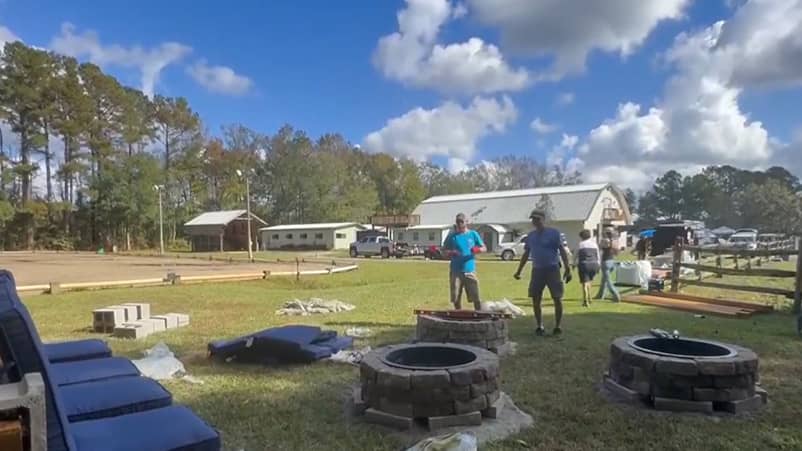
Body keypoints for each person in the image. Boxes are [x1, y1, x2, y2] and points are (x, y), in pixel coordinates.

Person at [513, 209, 572, 336]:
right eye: (533, 219)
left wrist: (567, 267)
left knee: (557, 297)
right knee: (536, 298)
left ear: (543, 219)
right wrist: (519, 271)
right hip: (537, 270)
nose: (535, 221)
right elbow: (526, 253)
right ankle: (539, 326)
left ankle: (558, 326)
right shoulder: (531, 236)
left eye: (538, 219)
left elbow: (561, 250)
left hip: (552, 268)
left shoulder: (554, 233)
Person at [443, 213, 486, 310]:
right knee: (456, 297)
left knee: (476, 296)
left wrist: (477, 250)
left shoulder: (473, 234)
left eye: (461, 221)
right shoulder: (452, 236)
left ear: (466, 222)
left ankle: (478, 314)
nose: (459, 224)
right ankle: (458, 314)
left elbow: (484, 248)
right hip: (456, 271)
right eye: (457, 222)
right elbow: (443, 251)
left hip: (469, 270)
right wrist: (451, 252)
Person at [575, 229, 600, 307]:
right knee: (589, 281)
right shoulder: (594, 244)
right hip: (594, 264)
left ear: (582, 237)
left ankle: (585, 300)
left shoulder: (581, 244)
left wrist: (573, 263)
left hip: (584, 264)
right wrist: (598, 265)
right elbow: (598, 255)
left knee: (584, 283)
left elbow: (575, 255)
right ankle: (590, 297)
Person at [594, 229, 621, 302]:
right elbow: (617, 252)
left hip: (605, 261)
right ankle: (600, 295)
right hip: (612, 261)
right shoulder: (614, 241)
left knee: (608, 281)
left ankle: (616, 295)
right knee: (604, 280)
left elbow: (599, 248)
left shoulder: (604, 240)